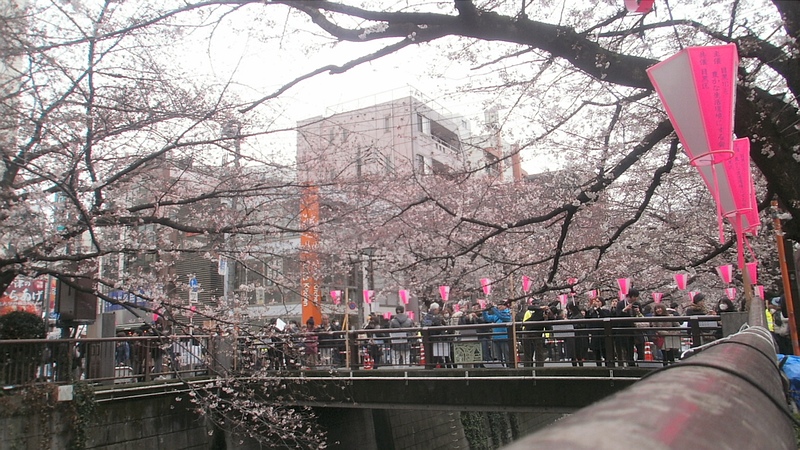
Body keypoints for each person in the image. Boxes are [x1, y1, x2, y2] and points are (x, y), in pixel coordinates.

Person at [482, 301, 513, 367]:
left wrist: (493, 309)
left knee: (507, 355)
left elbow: (502, 317)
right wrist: (484, 311)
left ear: (505, 306)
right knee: (498, 357)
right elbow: (487, 319)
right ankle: (501, 367)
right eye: (498, 305)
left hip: (505, 338)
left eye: (501, 305)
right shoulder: (496, 315)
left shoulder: (508, 314)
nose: (499, 307)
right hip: (496, 338)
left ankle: (509, 367)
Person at [585, 297, 611, 366]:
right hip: (595, 335)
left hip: (604, 334)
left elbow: (605, 317)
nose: (596, 303)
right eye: (596, 301)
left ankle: (608, 367)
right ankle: (598, 367)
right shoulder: (592, 312)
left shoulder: (606, 310)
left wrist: (599, 309)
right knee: (596, 353)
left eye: (598, 301)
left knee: (605, 352)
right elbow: (588, 320)